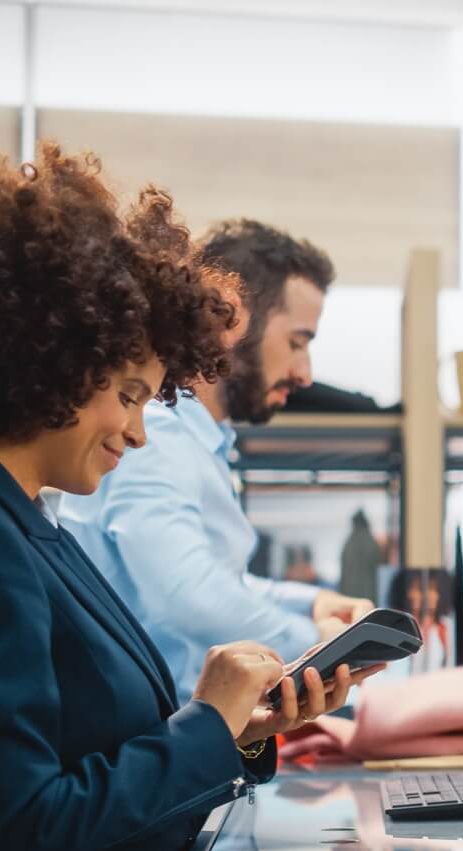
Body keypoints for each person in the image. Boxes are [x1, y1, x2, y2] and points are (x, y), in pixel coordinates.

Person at [0, 144, 377, 851]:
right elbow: (25, 828)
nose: (141, 433)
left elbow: (89, 762)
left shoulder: (15, 518)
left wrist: (239, 731)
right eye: (132, 394)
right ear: (57, 364)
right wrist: (205, 726)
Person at [62, 219, 374, 704]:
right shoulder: (161, 432)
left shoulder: (198, 439)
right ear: (233, 318)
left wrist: (312, 602)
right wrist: (320, 650)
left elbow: (217, 581)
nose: (305, 373)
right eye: (296, 342)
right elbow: (183, 593)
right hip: (149, 741)